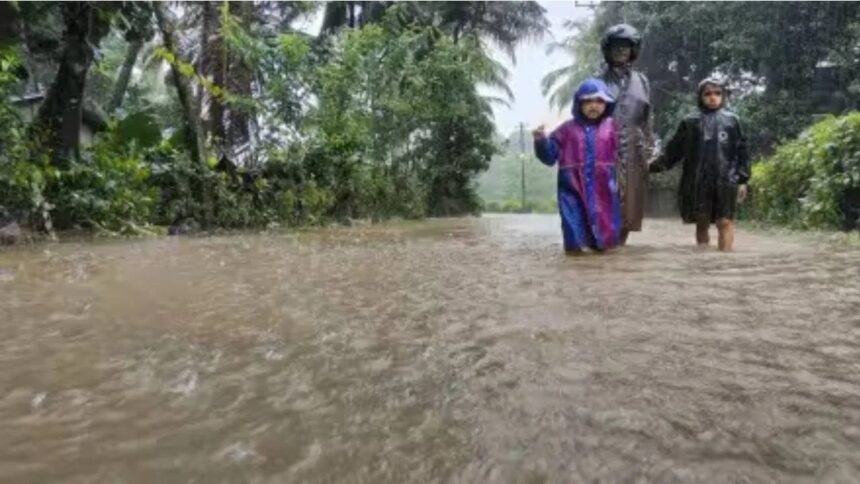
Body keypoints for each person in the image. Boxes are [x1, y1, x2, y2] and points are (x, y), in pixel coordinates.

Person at [648, 78, 751, 251]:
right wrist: (649, 167)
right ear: (700, 97)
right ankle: (703, 261)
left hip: (726, 180)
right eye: (708, 94)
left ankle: (724, 263)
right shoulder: (689, 123)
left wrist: (743, 180)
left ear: (723, 96)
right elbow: (673, 152)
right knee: (702, 222)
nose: (713, 98)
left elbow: (742, 152)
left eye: (717, 94)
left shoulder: (732, 121)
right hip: (697, 181)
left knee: (725, 221)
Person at [533, 78, 622, 254]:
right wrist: (541, 141)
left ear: (606, 104)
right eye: (588, 101)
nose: (593, 106)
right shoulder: (566, 130)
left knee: (605, 240)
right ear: (579, 104)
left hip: (603, 190)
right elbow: (549, 157)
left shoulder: (612, 128)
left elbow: (626, 155)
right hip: (572, 190)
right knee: (575, 238)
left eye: (599, 101)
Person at [598, 23, 655, 245]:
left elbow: (648, 118)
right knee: (603, 204)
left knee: (630, 209)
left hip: (634, 149)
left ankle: (619, 250)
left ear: (634, 50)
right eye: (616, 46)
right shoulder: (595, 80)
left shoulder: (642, 81)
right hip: (604, 149)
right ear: (607, 49)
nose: (621, 50)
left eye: (626, 46)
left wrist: (650, 151)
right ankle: (603, 250)